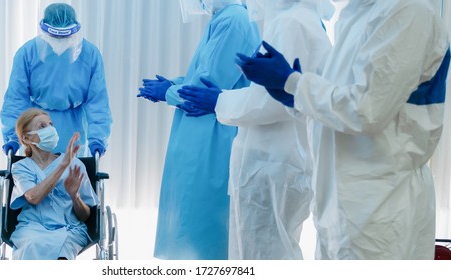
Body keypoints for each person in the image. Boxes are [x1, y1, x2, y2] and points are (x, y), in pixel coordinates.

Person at [236, 0, 450, 259]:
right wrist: (293, 97)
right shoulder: (358, 12)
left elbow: (366, 110)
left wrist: (294, 83)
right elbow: (341, 100)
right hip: (342, 200)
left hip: (379, 205)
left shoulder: (406, 10)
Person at [178, 0, 333, 260]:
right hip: (280, 163)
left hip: (272, 166)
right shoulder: (302, 19)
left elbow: (272, 99)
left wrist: (219, 101)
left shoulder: (291, 23)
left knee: (263, 257)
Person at [137, 0, 260, 259]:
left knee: (201, 230)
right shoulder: (224, 18)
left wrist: (168, 92)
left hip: (211, 137)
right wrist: (173, 83)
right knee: (187, 220)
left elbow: (206, 89)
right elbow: (201, 75)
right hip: (198, 134)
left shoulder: (234, 19)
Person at [0, 2, 112, 157]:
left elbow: (97, 101)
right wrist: (12, 136)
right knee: (37, 176)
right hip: (36, 125)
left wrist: (98, 139)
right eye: (55, 36)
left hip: (74, 126)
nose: (60, 42)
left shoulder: (90, 54)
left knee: (72, 175)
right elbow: (16, 98)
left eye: (65, 36)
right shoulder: (27, 53)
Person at [9, 108, 99, 260]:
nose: (50, 129)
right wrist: (62, 166)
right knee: (33, 244)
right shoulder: (21, 167)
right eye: (42, 126)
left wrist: (75, 196)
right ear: (26, 139)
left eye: (50, 124)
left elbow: (84, 216)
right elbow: (33, 197)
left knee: (61, 250)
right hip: (32, 227)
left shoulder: (75, 164)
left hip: (68, 229)